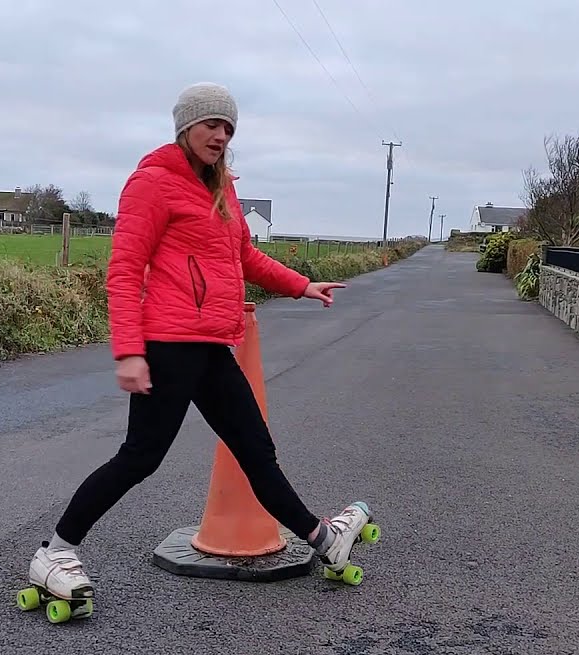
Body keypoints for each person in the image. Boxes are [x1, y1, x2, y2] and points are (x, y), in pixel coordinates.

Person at [26, 82, 374, 606]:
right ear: (185, 127)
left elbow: (245, 260)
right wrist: (130, 350)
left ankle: (322, 540)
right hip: (167, 342)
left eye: (228, 127)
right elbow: (123, 271)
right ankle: (55, 551)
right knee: (141, 456)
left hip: (211, 344)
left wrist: (302, 285)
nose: (221, 134)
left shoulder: (222, 189)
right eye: (211, 124)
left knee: (256, 450)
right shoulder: (152, 184)